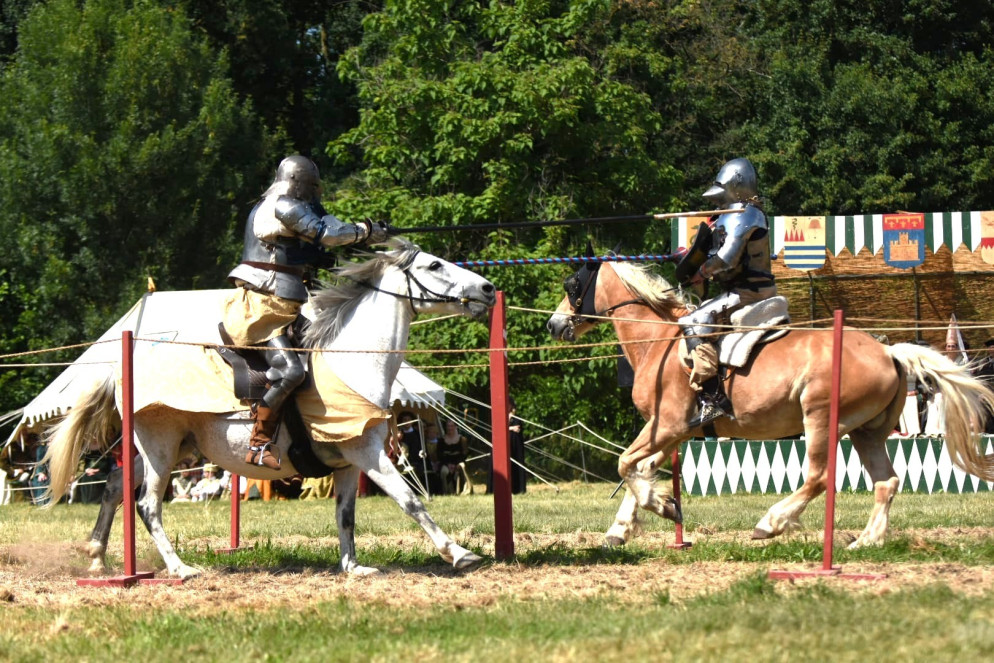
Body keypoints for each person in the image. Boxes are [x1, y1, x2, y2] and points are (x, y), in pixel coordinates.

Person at [222, 155, 390, 470]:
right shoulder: (281, 206)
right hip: (262, 308)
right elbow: (327, 233)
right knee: (291, 372)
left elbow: (324, 237)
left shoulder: (293, 207)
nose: (315, 193)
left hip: (287, 304)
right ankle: (258, 445)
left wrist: (373, 237)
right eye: (311, 186)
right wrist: (365, 229)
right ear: (298, 181)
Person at [676, 157, 776, 428]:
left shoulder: (747, 215)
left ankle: (713, 399)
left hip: (751, 292)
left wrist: (700, 271)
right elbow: (713, 254)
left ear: (736, 185)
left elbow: (726, 260)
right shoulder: (731, 215)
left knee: (694, 321)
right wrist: (690, 259)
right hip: (738, 289)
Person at [438, 420, 468, 494]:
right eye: (448, 426)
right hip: (446, 463)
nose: (450, 428)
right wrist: (448, 465)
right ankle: (446, 491)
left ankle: (463, 490)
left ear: (455, 427)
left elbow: (464, 454)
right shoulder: (441, 440)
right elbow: (439, 455)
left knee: (462, 467)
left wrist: (457, 464)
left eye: (451, 426)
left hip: (458, 462)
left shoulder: (462, 439)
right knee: (444, 471)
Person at [973, 339, 994, 434]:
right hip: (985, 393)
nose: (992, 349)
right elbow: (978, 380)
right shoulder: (982, 364)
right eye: (990, 347)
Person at [509, 398, 527, 494]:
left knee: (517, 466)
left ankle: (518, 489)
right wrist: (510, 428)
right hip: (506, 447)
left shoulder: (516, 418)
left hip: (515, 446)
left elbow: (518, 430)